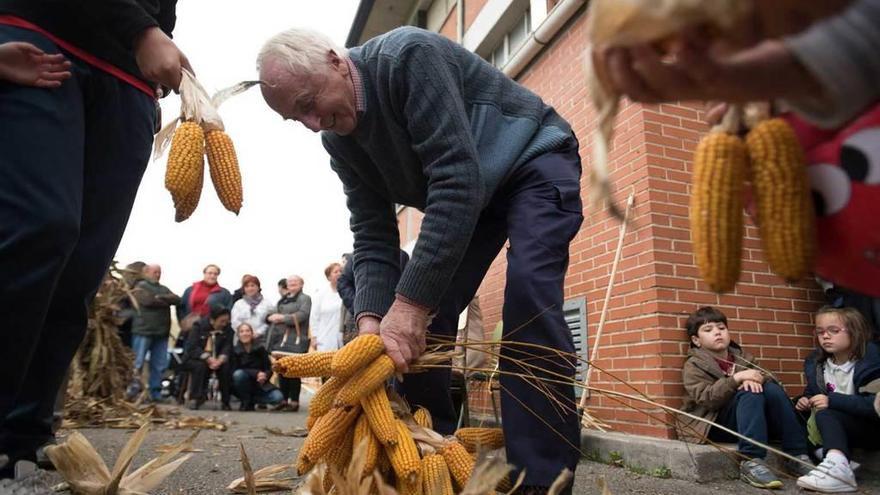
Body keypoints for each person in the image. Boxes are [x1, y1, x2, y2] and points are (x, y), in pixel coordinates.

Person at [258, 26, 583, 490]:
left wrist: (409, 306)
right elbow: (372, 236)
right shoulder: (340, 144)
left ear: (334, 60)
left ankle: (543, 478)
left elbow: (455, 181)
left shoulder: (409, 57)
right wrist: (371, 320)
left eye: (309, 103)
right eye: (297, 118)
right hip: (474, 194)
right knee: (418, 330)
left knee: (529, 295)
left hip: (531, 159)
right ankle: (434, 454)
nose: (312, 123)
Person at [0, 0, 189, 479]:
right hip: (38, 37)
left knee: (82, 266)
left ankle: (27, 432)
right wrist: (143, 31)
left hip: (128, 80)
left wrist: (154, 38)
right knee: (42, 227)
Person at [679, 307, 812, 489]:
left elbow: (771, 378)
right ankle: (751, 460)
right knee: (749, 392)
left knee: (770, 389)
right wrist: (737, 379)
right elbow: (707, 398)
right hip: (714, 422)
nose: (717, 333)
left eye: (721, 328)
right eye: (708, 330)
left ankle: (796, 455)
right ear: (696, 340)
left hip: (750, 416)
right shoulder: (693, 365)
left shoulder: (742, 357)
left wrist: (757, 378)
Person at [794, 306, 880, 493]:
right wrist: (806, 399)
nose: (825, 336)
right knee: (796, 412)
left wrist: (832, 400)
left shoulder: (871, 361)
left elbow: (875, 406)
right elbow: (812, 391)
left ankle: (839, 471)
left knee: (827, 413)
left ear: (855, 332)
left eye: (833, 331)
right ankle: (838, 461)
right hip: (840, 427)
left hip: (872, 427)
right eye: (820, 332)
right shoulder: (818, 364)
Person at [129, 264, 181, 402]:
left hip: (161, 333)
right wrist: (165, 300)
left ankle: (156, 393)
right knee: (137, 363)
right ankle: (133, 391)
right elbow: (148, 301)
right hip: (143, 331)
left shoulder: (162, 288)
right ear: (146, 272)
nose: (158, 274)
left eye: (159, 272)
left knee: (158, 365)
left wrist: (160, 297)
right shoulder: (140, 286)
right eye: (155, 272)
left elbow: (177, 299)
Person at [266, 275, 311, 411]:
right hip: (281, 339)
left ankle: (294, 401)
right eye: (289, 282)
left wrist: (283, 318)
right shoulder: (284, 299)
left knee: (294, 370)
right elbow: (274, 311)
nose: (292, 284)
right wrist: (271, 316)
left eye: (295, 282)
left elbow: (303, 314)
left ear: (301, 284)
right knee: (281, 370)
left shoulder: (305, 298)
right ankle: (283, 399)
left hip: (295, 339)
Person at [183, 306, 234, 411]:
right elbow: (192, 347)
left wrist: (221, 358)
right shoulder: (198, 327)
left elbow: (228, 346)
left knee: (226, 367)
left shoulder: (228, 329)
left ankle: (225, 401)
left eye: (226, 321)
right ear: (212, 320)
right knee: (200, 367)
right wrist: (207, 358)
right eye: (221, 321)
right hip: (197, 358)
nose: (224, 324)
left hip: (218, 359)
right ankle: (196, 398)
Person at [231, 323, 283, 411]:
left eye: (247, 331)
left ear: (252, 333)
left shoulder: (260, 348)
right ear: (238, 335)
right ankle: (245, 400)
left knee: (278, 397)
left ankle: (251, 401)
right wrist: (256, 373)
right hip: (242, 384)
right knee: (238, 374)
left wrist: (264, 376)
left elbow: (269, 367)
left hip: (260, 384)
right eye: (242, 331)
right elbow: (234, 370)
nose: (245, 333)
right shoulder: (235, 350)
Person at [177, 264, 233, 332]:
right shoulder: (190, 290)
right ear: (204, 273)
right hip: (191, 327)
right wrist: (182, 321)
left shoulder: (224, 293)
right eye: (210, 273)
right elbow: (180, 306)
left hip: (213, 328)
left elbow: (228, 310)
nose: (212, 276)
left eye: (215, 274)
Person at [230, 274, 274, 345]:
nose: (250, 288)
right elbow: (234, 321)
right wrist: (245, 333)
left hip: (261, 339)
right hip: (241, 340)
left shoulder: (267, 303)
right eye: (247, 286)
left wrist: (258, 332)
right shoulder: (238, 304)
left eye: (252, 285)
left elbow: (269, 322)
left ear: (258, 287)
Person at [309, 263, 343, 353]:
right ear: (329, 277)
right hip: (324, 338)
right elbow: (314, 317)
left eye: (341, 271)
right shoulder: (320, 294)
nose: (339, 273)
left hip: (343, 338)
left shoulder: (347, 292)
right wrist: (314, 337)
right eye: (336, 272)